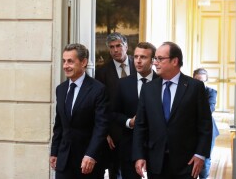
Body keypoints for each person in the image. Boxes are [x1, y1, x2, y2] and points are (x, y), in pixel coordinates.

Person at [132, 41, 212, 179]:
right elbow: (140, 125)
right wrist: (139, 155)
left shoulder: (195, 87)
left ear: (175, 61)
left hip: (187, 163)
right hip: (156, 162)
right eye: (155, 59)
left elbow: (205, 124)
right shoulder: (148, 89)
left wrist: (200, 154)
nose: (155, 63)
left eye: (160, 59)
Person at [50, 43, 109, 179]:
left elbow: (101, 127)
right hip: (64, 160)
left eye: (70, 61)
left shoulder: (98, 89)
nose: (65, 66)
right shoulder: (61, 89)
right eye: (64, 61)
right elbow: (59, 124)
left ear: (83, 62)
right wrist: (54, 152)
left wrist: (91, 154)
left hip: (88, 162)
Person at [113, 42, 158, 179]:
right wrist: (129, 122)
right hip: (130, 146)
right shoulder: (123, 83)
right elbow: (113, 113)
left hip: (157, 147)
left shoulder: (162, 82)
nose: (138, 60)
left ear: (153, 60)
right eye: (136, 56)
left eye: (143, 57)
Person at [95, 32, 137, 179]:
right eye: (111, 47)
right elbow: (101, 105)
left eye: (118, 46)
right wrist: (105, 133)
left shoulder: (138, 65)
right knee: (115, 171)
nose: (115, 50)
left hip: (137, 128)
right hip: (114, 132)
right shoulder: (102, 73)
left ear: (126, 46)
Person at [193, 68, 220, 179]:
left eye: (202, 81)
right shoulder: (187, 91)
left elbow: (209, 109)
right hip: (191, 129)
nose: (200, 83)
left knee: (205, 159)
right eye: (197, 80)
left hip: (208, 130)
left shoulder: (211, 92)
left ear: (206, 81)